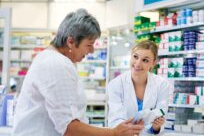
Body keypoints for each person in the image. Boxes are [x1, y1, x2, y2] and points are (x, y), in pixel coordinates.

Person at [12, 8, 143, 136]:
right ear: (70, 41)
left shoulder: (54, 59)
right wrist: (113, 133)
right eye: (89, 45)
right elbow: (69, 128)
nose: (92, 51)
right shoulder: (56, 64)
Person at [107, 40, 170, 135]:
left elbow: (161, 115)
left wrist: (156, 127)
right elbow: (115, 119)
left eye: (145, 60)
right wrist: (130, 129)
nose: (138, 63)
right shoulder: (115, 84)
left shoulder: (162, 84)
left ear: (153, 63)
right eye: (135, 57)